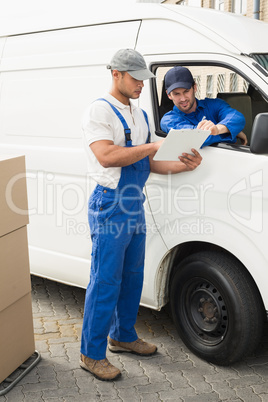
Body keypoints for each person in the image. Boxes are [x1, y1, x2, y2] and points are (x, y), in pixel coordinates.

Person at [80, 49, 202, 381]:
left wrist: (181, 164)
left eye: (143, 79)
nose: (140, 85)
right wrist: (152, 147)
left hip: (135, 203)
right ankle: (91, 354)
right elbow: (106, 156)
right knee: (106, 280)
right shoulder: (98, 111)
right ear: (116, 74)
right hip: (109, 204)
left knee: (133, 276)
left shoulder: (140, 114)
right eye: (135, 78)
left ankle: (123, 336)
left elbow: (148, 164)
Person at [160, 66, 247, 146]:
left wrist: (218, 129)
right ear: (169, 95)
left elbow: (237, 117)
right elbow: (196, 138)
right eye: (176, 94)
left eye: (186, 91)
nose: (183, 99)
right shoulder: (168, 120)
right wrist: (231, 131)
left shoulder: (215, 104)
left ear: (195, 87)